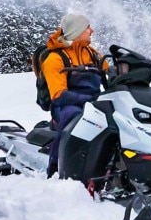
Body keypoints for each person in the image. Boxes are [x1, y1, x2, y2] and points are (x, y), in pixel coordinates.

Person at [41, 13, 108, 176]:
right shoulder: (55, 59)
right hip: (66, 106)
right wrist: (88, 101)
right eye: (87, 27)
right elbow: (58, 95)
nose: (91, 30)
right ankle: (57, 168)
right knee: (75, 117)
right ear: (77, 31)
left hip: (94, 103)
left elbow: (110, 74)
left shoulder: (93, 54)